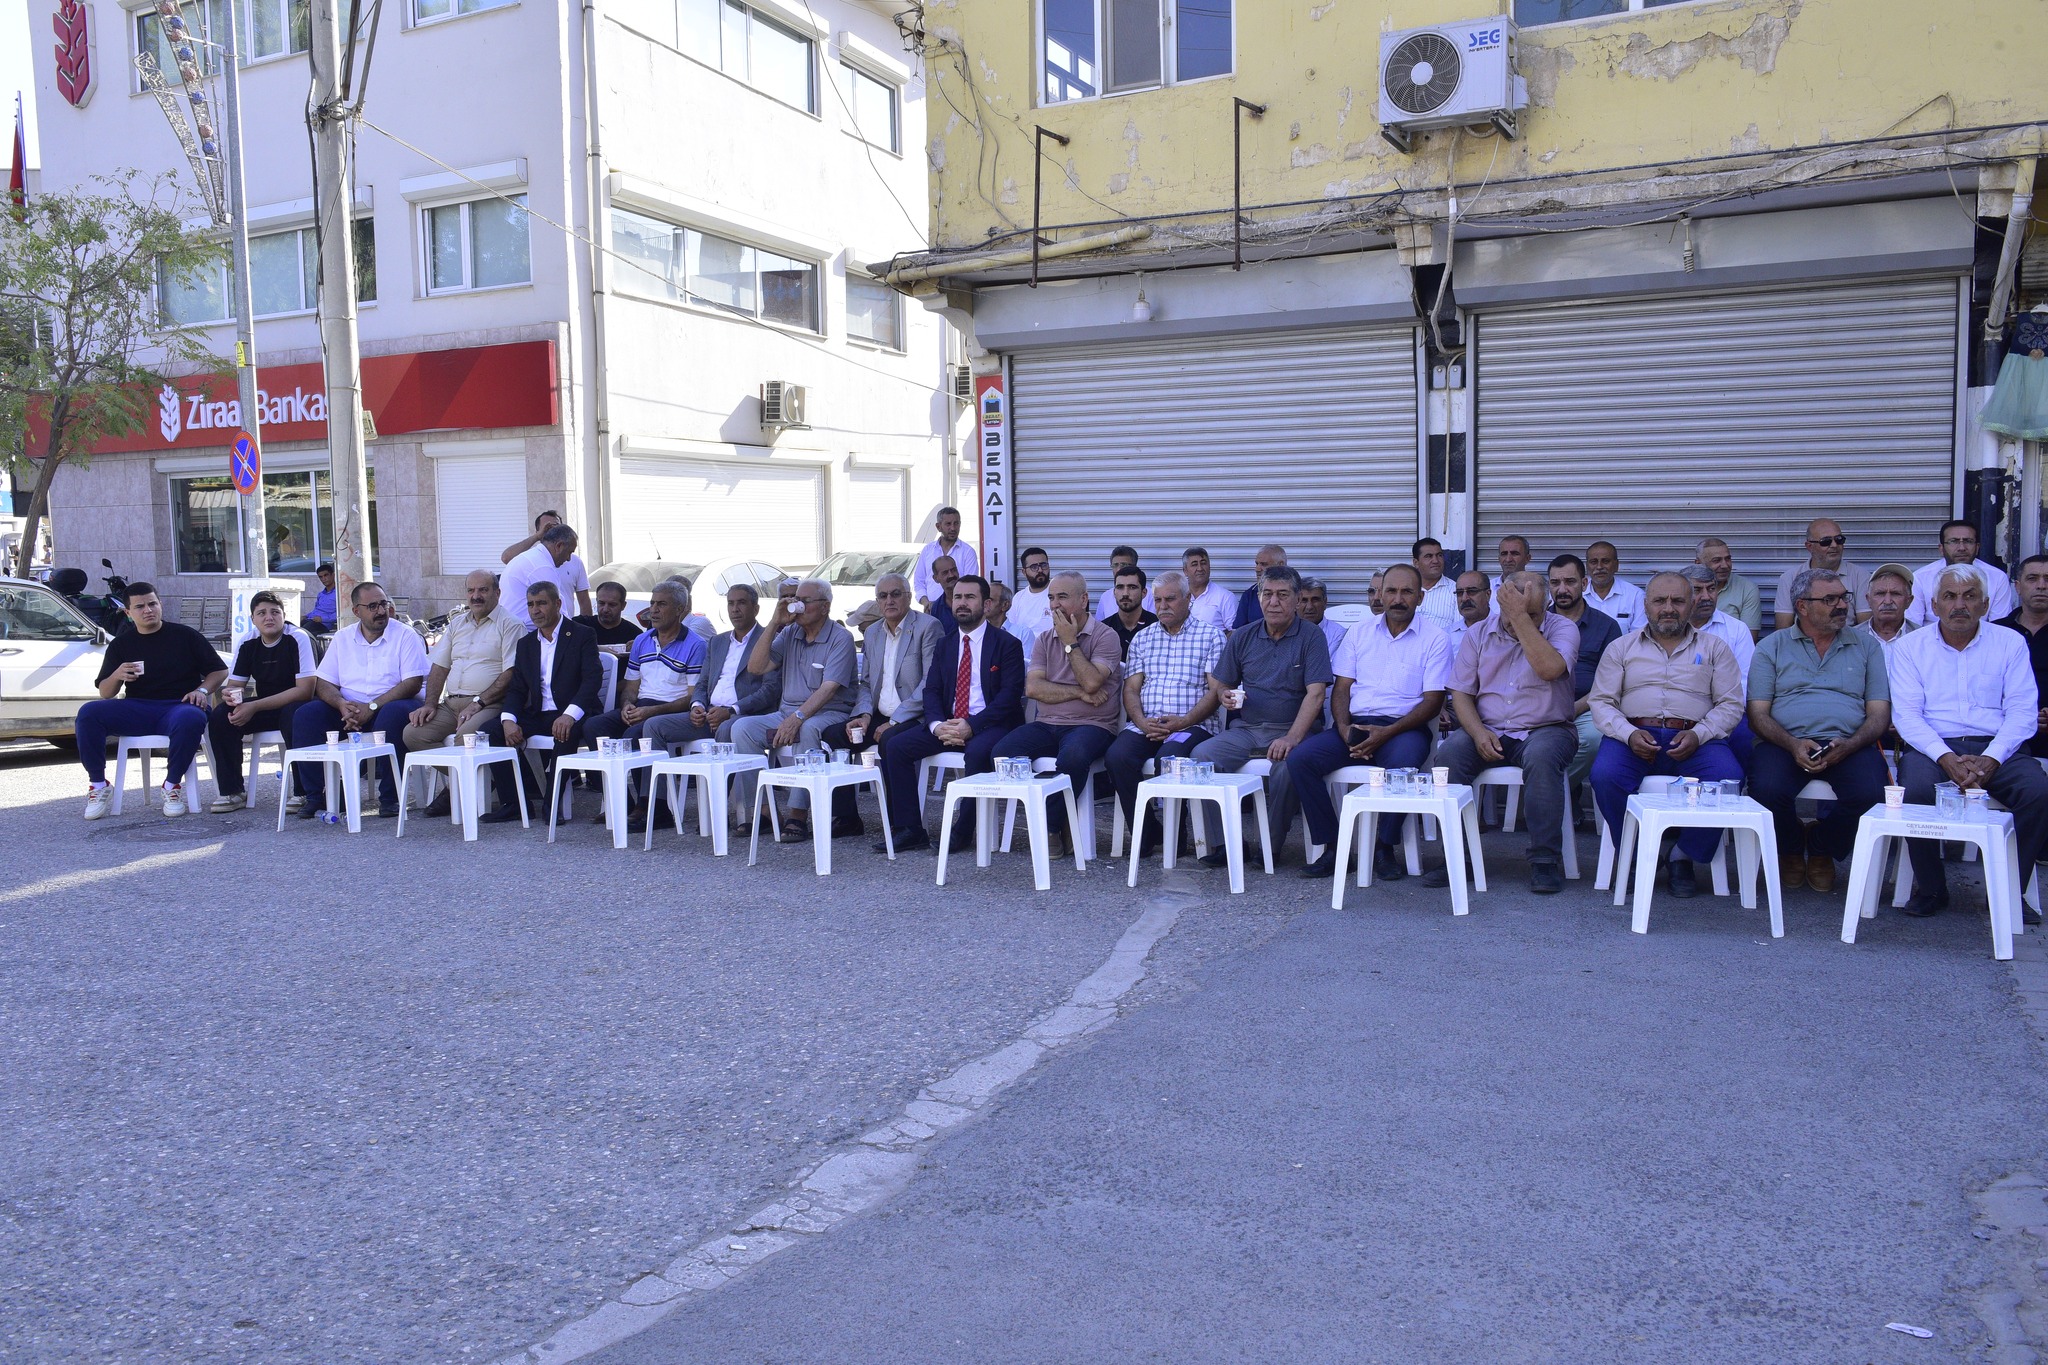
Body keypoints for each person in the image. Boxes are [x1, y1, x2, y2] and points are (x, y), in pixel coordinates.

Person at [1888, 563, 2048, 917]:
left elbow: (2023, 711)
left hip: (1999, 747)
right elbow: (1908, 716)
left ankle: (2008, 894)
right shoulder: (1910, 648)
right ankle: (1931, 888)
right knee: (1914, 789)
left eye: (1969, 597)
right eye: (1949, 596)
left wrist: (1991, 758)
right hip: (1935, 748)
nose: (1959, 605)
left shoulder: (2010, 643)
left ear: (1985, 605)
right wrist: (1946, 758)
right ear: (1934, 605)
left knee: (2038, 791)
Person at [1587, 571, 1746, 898]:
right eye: (1660, 601)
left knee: (1728, 778)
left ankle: (1682, 855)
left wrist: (1700, 735)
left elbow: (1730, 705)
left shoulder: (1715, 648)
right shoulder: (1622, 648)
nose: (1668, 608)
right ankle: (1634, 852)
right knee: (1604, 776)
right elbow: (1601, 702)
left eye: (1677, 601)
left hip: (1696, 740)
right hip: (1632, 738)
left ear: (1691, 605)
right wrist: (1628, 734)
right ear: (1646, 605)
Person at [1291, 563, 1449, 880]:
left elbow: (1433, 701)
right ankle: (1335, 846)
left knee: (1403, 769)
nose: (1398, 599)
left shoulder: (1435, 638)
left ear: (1420, 597)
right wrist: (1344, 727)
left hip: (1404, 728)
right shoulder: (1359, 633)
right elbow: (1342, 689)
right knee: (1300, 759)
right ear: (1381, 594)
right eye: (1391, 591)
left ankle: (1384, 847)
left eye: (1407, 592)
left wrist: (1385, 733)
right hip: (1355, 724)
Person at [1430, 571, 1579, 894]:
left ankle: (1544, 861)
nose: (1521, 619)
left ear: (1547, 604)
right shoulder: (1478, 634)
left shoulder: (1563, 628)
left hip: (1546, 728)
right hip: (1488, 727)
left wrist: (1520, 618)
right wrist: (1479, 732)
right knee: (1448, 755)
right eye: (1513, 610)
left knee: (1541, 758)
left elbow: (1550, 669)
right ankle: (1455, 857)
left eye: (1534, 612)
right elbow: (1462, 694)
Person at [1747, 568, 1893, 893]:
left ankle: (1822, 847)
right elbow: (1757, 714)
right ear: (1802, 606)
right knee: (1766, 790)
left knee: (1872, 794)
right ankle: (1789, 847)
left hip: (1849, 744)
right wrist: (1792, 744)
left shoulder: (1867, 647)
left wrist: (1852, 744)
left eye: (1844, 597)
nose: (1842, 605)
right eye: (1830, 599)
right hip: (1785, 742)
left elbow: (1879, 714)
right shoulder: (1771, 647)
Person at [1191, 565, 1332, 868]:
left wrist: (1292, 737)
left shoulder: (1311, 637)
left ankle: (1269, 847)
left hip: (1295, 729)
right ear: (1259, 598)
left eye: (1282, 595)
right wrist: (1224, 696)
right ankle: (1227, 843)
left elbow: (1316, 694)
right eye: (1267, 594)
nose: (1274, 602)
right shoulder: (1243, 636)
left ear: (1296, 600)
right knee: (1201, 757)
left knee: (1287, 767)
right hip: (1249, 728)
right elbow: (1222, 684)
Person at [877, 575, 1027, 853]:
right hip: (948, 722)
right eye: (958, 597)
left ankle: (962, 831)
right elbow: (931, 690)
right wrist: (936, 726)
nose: (962, 603)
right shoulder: (945, 645)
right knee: (896, 746)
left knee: (978, 753)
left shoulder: (1007, 644)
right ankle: (910, 829)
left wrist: (971, 726)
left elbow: (1008, 698)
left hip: (990, 724)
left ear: (986, 603)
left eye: (970, 597)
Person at [993, 571, 1123, 855]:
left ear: (1084, 599)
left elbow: (1092, 681)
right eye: (1051, 598)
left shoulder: (1106, 636)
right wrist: (1078, 693)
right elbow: (1034, 688)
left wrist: (1070, 642)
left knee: (1073, 758)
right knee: (1003, 753)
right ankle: (1056, 817)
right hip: (1047, 722)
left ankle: (1050, 826)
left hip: (1093, 724)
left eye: (1062, 597)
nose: (1054, 605)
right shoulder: (1043, 639)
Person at [75, 582, 229, 819]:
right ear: (128, 613)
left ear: (160, 604)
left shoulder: (185, 635)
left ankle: (172, 786)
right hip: (138, 708)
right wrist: (116, 675)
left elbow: (219, 671)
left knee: (191, 716)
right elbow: (106, 693)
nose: (148, 610)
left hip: (179, 705)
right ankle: (98, 784)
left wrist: (202, 690)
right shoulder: (121, 644)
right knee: (89, 713)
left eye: (152, 603)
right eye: (140, 606)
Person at [1105, 571, 1226, 853]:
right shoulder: (1143, 638)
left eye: (1170, 599)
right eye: (1158, 600)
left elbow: (1215, 692)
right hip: (1148, 724)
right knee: (1117, 756)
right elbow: (1131, 690)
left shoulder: (1211, 637)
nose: (1163, 606)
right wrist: (1141, 722)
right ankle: (1146, 834)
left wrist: (1182, 722)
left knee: (1169, 759)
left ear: (1188, 599)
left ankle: (1176, 836)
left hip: (1192, 726)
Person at [290, 581, 428, 819]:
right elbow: (324, 683)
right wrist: (342, 705)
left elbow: (411, 683)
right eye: (372, 606)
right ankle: (318, 795)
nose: (381, 611)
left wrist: (372, 707)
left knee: (392, 714)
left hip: (393, 704)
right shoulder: (342, 638)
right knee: (305, 715)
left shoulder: (406, 636)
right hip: (350, 709)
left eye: (383, 604)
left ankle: (391, 797)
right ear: (357, 611)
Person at [733, 577, 858, 839]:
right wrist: (774, 622)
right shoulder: (790, 632)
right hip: (786, 711)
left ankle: (797, 816)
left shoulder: (841, 637)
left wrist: (798, 717)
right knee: (742, 728)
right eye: (794, 600)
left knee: (808, 728)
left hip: (829, 712)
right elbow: (756, 668)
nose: (796, 606)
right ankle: (766, 811)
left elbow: (829, 688)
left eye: (803, 601)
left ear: (825, 606)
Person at [822, 573, 943, 838]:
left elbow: (930, 683)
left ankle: (904, 826)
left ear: (909, 596)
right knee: (834, 735)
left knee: (890, 740)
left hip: (916, 715)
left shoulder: (928, 627)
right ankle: (847, 819)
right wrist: (864, 715)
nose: (889, 600)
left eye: (896, 594)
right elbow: (865, 683)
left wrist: (896, 720)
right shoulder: (874, 632)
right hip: (879, 713)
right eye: (883, 596)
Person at [478, 582, 603, 822]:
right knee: (490, 731)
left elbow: (592, 680)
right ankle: (515, 803)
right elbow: (517, 688)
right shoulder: (526, 644)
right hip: (538, 713)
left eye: (541, 603)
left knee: (564, 731)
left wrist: (569, 714)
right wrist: (508, 720)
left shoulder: (581, 635)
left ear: (557, 604)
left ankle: (552, 803)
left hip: (574, 712)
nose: (535, 610)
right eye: (531, 604)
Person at [583, 581, 708, 818]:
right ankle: (620, 800)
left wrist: (651, 712)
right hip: (641, 706)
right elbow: (631, 686)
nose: (654, 610)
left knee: (634, 736)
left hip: (671, 712)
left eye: (662, 604)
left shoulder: (695, 645)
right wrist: (627, 705)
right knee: (594, 726)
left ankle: (648, 805)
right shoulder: (642, 640)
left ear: (680, 609)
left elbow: (692, 697)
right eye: (652, 603)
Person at [400, 570, 520, 812]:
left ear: (497, 593)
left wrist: (479, 702)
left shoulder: (510, 625)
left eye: (483, 590)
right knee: (413, 733)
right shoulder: (456, 624)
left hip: (490, 704)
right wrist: (430, 704)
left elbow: (511, 674)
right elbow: (439, 667)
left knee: (465, 738)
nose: (476, 596)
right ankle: (475, 780)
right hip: (451, 703)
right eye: (471, 590)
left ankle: (454, 793)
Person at [206, 590, 316, 812]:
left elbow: (305, 691)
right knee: (221, 715)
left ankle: (304, 792)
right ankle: (232, 791)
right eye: (262, 613)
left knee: (293, 714)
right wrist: (230, 696)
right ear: (253, 619)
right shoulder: (248, 641)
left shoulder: (297, 637)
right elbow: (234, 685)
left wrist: (253, 705)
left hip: (303, 705)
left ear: (283, 616)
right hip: (267, 706)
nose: (269, 617)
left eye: (275, 612)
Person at [646, 583, 781, 759]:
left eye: (741, 603)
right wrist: (697, 706)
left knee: (726, 728)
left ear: (756, 609)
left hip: (744, 716)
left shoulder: (770, 640)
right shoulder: (717, 642)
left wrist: (731, 710)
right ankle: (656, 787)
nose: (735, 609)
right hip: (707, 715)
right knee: (653, 726)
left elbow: (769, 690)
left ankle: (724, 786)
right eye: (730, 604)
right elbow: (703, 682)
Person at [1546, 554, 1623, 794]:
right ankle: (1558, 799)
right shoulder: (1535, 623)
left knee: (1593, 740)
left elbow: (1611, 682)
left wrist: (1575, 708)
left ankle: (1549, 794)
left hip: (1586, 708)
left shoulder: (1607, 626)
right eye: (1555, 583)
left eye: (1570, 582)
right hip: (1539, 708)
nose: (1562, 589)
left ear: (1585, 584)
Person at [1909, 520, 2016, 625]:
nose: (1961, 548)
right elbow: (1913, 625)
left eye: (1968, 541)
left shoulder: (1997, 577)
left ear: (1977, 547)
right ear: (1941, 548)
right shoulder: (1920, 578)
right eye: (1953, 541)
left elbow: (1999, 626)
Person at [1773, 519, 1871, 629]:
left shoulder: (1861, 576)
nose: (1834, 545)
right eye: (1826, 541)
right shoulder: (1789, 578)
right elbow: (1783, 629)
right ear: (1809, 546)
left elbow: (1865, 628)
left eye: (1839, 540)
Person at [1997, 553, 2048, 760]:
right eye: (2032, 578)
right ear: (2017, 586)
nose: (2041, 586)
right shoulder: (1995, 632)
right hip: (1999, 736)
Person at [501, 511, 592, 616]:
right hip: (527, 629)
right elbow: (557, 614)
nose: (568, 558)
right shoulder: (541, 566)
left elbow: (584, 600)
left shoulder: (534, 558)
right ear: (559, 546)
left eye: (556, 527)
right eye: (568, 552)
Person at [1695, 537, 1763, 637]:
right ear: (1698, 564)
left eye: (1728, 559)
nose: (1725, 565)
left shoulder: (1746, 588)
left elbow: (1749, 638)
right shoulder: (1683, 588)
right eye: (1716, 560)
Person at [912, 506, 978, 608]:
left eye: (956, 523)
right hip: (931, 609)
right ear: (938, 527)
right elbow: (919, 582)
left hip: (958, 609)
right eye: (948, 524)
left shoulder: (968, 552)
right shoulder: (927, 550)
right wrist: (926, 603)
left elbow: (970, 585)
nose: (953, 528)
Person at [1585, 541, 1645, 634]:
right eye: (1594, 562)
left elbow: (1638, 638)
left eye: (1605, 561)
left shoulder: (1636, 596)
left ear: (1616, 565)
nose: (1599, 567)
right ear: (1587, 566)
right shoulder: (1576, 594)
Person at [1861, 563, 1918, 658]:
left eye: (1896, 594)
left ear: (1909, 601)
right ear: (1868, 600)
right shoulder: (1851, 638)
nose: (1888, 601)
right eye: (1880, 594)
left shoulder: (1924, 639)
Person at [1103, 564, 1158, 659]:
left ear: (1144, 593)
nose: (1125, 593)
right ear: (1114, 592)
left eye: (1132, 587)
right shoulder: (1103, 630)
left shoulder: (1158, 627)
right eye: (1120, 587)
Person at [574, 580, 642, 652]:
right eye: (601, 603)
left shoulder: (634, 634)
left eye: (612, 605)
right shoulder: (579, 625)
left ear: (623, 605)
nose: (605, 609)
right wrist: (596, 649)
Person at [1232, 544, 1288, 628]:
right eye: (1257, 563)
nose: (1257, 569)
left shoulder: (1298, 591)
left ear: (1281, 565)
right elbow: (1238, 631)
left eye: (1264, 564)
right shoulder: (1249, 595)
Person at [1182, 546, 1237, 633]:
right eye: (1194, 564)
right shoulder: (1180, 596)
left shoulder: (1225, 597)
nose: (1200, 568)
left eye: (1203, 563)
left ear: (1209, 566)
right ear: (1185, 571)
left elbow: (1235, 633)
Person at [1096, 545, 1153, 619]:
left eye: (1123, 565)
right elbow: (1099, 626)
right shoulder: (1105, 597)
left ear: (1134, 566)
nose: (1119, 569)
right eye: (1115, 565)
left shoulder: (1150, 595)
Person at [1009, 547, 1054, 636]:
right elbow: (1012, 630)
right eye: (1034, 567)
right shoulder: (1018, 598)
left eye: (1043, 565)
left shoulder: (1058, 594)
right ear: (1024, 572)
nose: (1040, 570)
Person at [1413, 538, 1457, 628]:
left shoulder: (1455, 591)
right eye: (1429, 556)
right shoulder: (1405, 590)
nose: (1436, 561)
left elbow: (1459, 631)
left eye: (1439, 555)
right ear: (1416, 563)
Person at [1296, 577, 1346, 652]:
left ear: (1325, 602)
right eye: (1304, 600)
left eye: (1315, 600)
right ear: (1296, 603)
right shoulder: (1284, 631)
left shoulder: (1338, 634)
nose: (1309, 607)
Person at [923, 554, 962, 635]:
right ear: (936, 579)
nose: (951, 575)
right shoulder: (935, 609)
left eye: (954, 570)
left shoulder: (973, 601)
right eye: (945, 573)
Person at [303, 563, 338, 632]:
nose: (323, 579)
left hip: (323, 625)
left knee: (302, 632)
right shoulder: (321, 594)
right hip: (312, 621)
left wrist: (322, 619)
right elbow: (316, 610)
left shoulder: (338, 594)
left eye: (326, 575)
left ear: (333, 575)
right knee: (291, 627)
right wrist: (306, 616)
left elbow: (340, 614)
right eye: (320, 577)